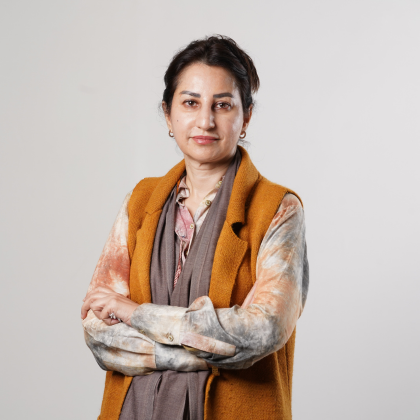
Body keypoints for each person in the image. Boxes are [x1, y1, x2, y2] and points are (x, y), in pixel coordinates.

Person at [81, 34, 309, 420]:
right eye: (190, 103)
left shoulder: (278, 208)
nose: (205, 120)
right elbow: (98, 331)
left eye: (223, 104)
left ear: (246, 116)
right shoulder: (141, 200)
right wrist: (205, 349)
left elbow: (263, 331)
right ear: (168, 114)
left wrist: (138, 314)